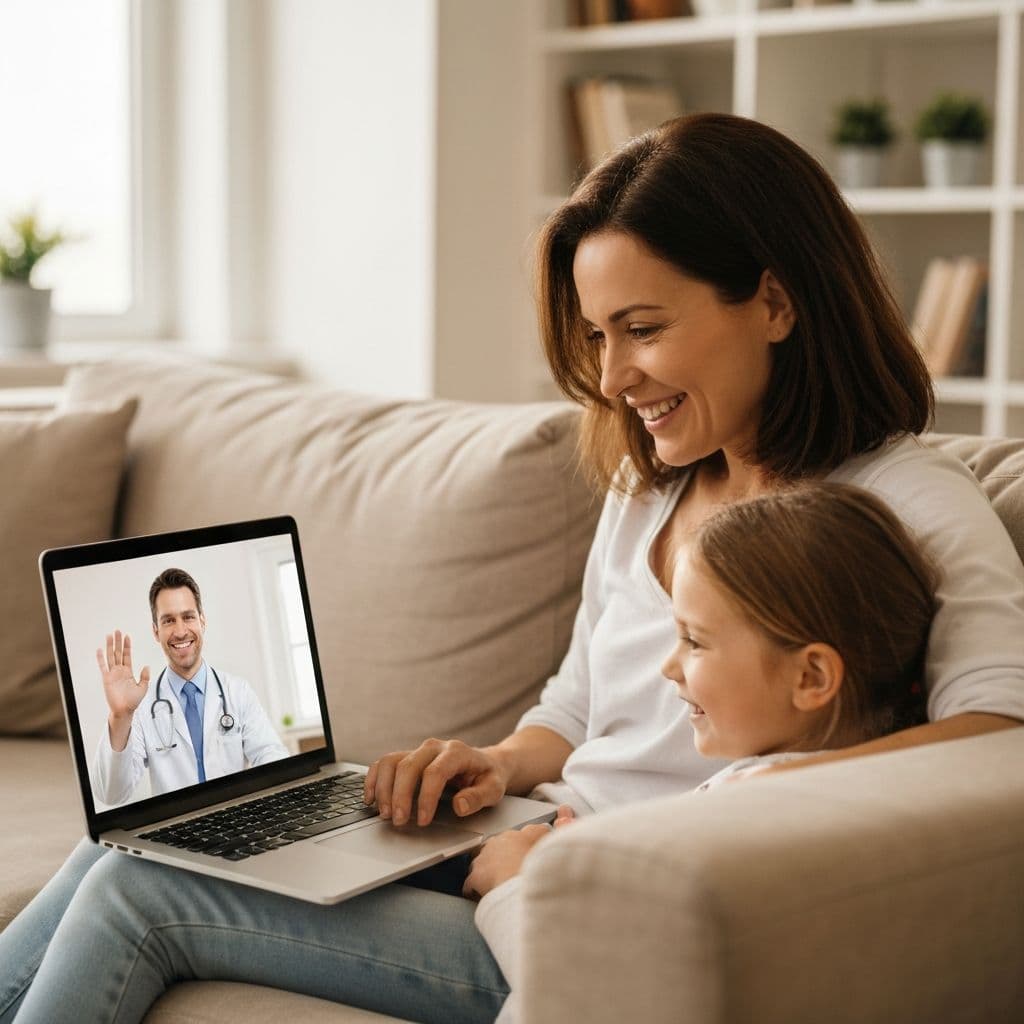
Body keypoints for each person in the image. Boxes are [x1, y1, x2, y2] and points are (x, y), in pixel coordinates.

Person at [3, 112, 1024, 1024]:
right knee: (144, 839)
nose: (614, 378)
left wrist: (660, 835)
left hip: (597, 912)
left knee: (146, 894)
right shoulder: (649, 490)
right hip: (531, 838)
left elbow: (1000, 729)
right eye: (596, 335)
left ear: (774, 301)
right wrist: (493, 764)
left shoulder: (911, 499)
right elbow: (578, 708)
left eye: (643, 328)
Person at [467, 480, 940, 1022]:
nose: (669, 667)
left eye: (694, 641)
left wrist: (513, 886)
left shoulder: (748, 814)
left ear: (810, 676)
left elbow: (596, 996)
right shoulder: (841, 796)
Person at [91, 567, 289, 805]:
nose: (181, 631)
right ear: (156, 631)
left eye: (188, 617)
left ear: (202, 620)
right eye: (168, 620)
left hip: (237, 822)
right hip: (176, 832)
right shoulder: (141, 707)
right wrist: (120, 716)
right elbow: (111, 794)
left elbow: (272, 757)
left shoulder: (238, 692)